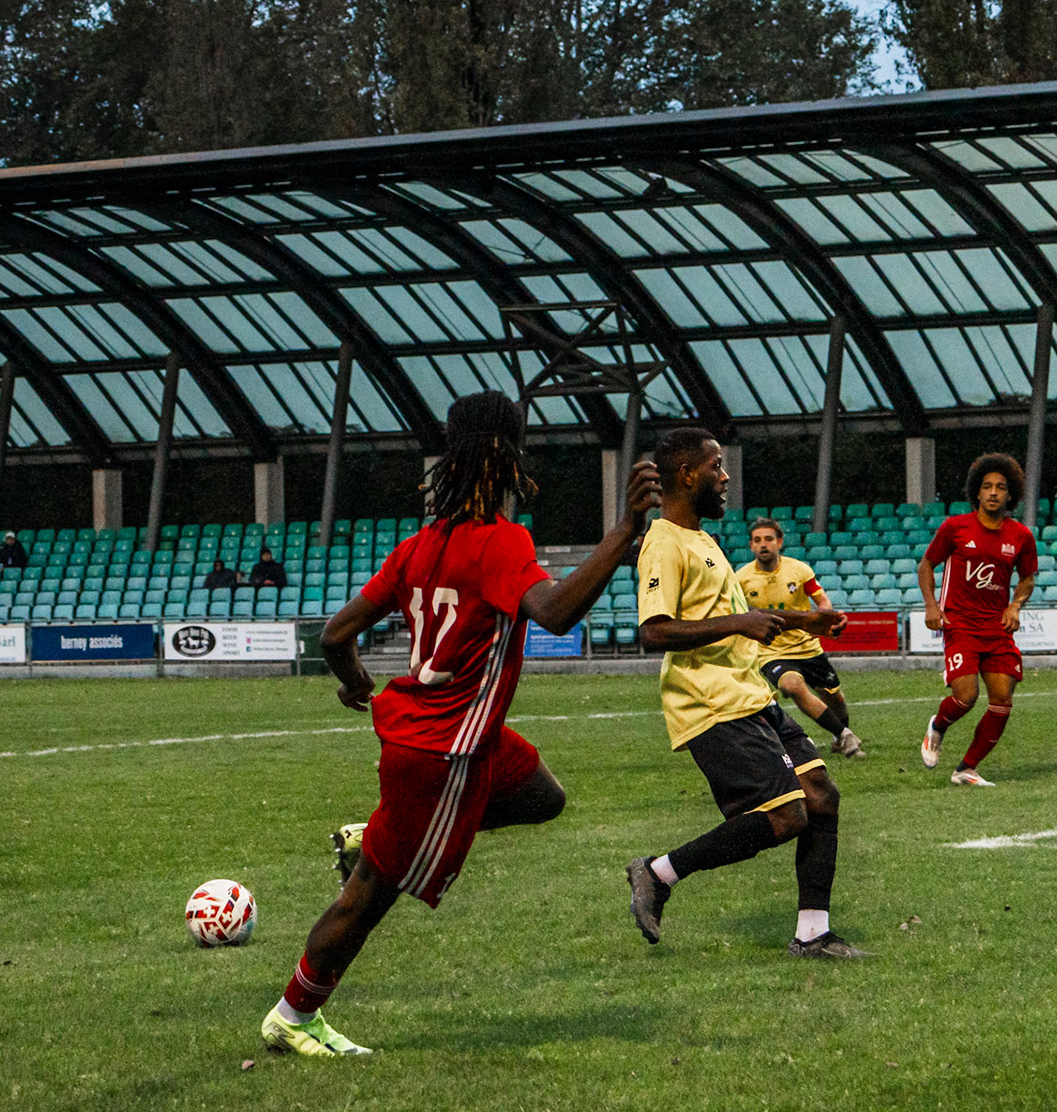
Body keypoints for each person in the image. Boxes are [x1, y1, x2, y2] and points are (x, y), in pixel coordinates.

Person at [260, 391, 660, 1057]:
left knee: (542, 795)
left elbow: (335, 634)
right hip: (445, 751)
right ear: (505, 457)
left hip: (452, 738)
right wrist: (620, 534)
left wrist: (357, 680)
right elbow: (555, 611)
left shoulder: (420, 546)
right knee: (368, 898)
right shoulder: (501, 543)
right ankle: (294, 1015)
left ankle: (379, 835)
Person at [624, 427, 864, 959]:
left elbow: (749, 619)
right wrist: (739, 623)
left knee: (821, 796)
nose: (725, 475)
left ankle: (812, 936)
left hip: (749, 693)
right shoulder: (663, 543)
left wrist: (809, 619)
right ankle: (659, 873)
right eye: (715, 466)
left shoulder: (703, 540)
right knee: (786, 816)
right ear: (687, 475)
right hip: (707, 701)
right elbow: (654, 631)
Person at [917, 453, 1038, 787]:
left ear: (1010, 494)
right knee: (966, 697)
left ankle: (966, 768)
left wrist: (1015, 605)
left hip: (996, 628)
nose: (994, 492)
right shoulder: (955, 528)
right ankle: (937, 727)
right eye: (987, 486)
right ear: (978, 493)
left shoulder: (1021, 536)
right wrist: (931, 605)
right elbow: (926, 565)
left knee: (1002, 701)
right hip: (960, 624)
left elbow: (1028, 577)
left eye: (1000, 487)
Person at [736, 516, 863, 758]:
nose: (763, 545)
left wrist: (828, 616)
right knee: (792, 686)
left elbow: (821, 600)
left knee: (835, 697)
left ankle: (839, 735)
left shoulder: (799, 570)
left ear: (779, 542)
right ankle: (846, 737)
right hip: (770, 651)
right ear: (751, 546)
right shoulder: (740, 579)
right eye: (757, 540)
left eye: (769, 539)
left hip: (807, 647)